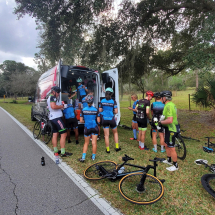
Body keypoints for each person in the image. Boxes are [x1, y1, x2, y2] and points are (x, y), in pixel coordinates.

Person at [47, 86, 72, 162]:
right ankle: (63, 152)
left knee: (55, 134)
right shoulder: (52, 97)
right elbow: (53, 106)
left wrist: (60, 106)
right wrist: (62, 106)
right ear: (53, 92)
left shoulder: (50, 97)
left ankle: (55, 151)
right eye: (57, 92)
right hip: (57, 118)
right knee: (64, 134)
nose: (58, 94)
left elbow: (52, 107)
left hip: (52, 117)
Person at [160, 90, 180, 171]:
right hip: (169, 128)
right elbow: (176, 115)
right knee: (166, 144)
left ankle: (175, 165)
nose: (160, 99)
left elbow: (170, 120)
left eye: (161, 97)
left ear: (164, 98)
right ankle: (169, 160)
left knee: (171, 147)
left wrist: (160, 122)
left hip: (172, 129)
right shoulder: (170, 104)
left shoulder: (168, 106)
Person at [79, 95, 100, 162]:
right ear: (92, 101)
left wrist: (87, 121)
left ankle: (83, 157)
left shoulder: (83, 110)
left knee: (86, 143)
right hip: (94, 127)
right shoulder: (96, 109)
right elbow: (98, 121)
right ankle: (93, 157)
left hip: (87, 127)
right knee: (94, 143)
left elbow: (81, 121)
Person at [99, 87, 121, 153]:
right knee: (115, 133)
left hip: (104, 119)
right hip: (111, 119)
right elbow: (116, 111)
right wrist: (111, 111)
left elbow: (100, 110)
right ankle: (117, 147)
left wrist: (104, 111)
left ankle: (108, 150)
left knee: (106, 135)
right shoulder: (113, 101)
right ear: (111, 94)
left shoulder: (102, 101)